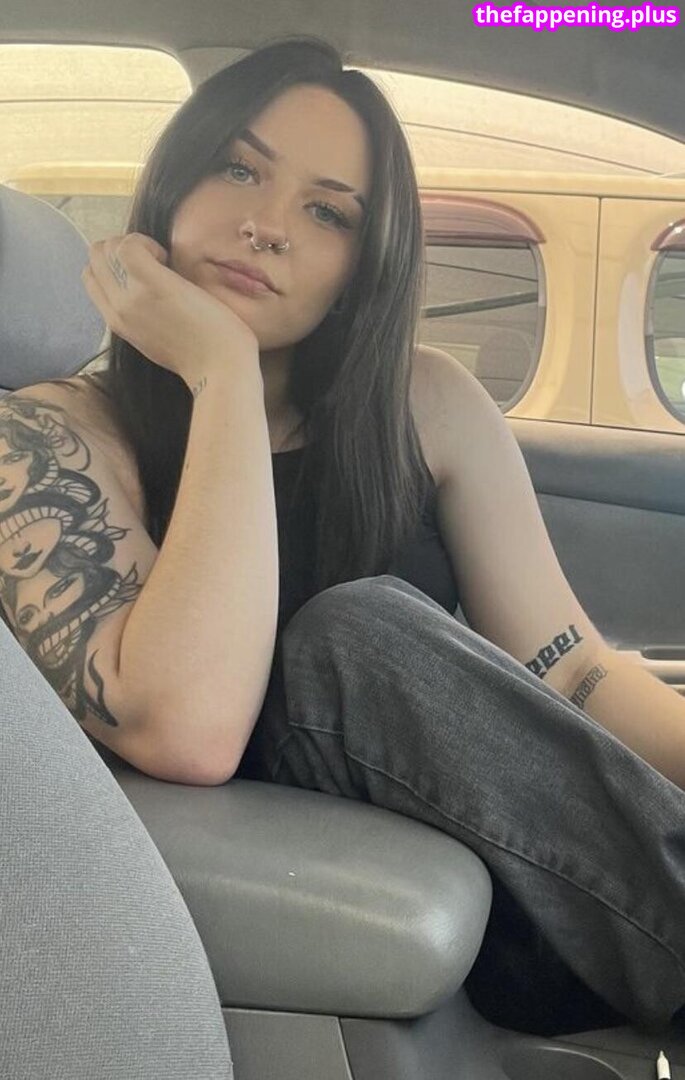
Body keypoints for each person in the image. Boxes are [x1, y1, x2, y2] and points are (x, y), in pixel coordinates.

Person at [1, 36, 684, 1039]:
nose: (266, 226)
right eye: (237, 169)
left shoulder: (426, 403)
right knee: (346, 637)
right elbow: (185, 728)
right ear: (170, 188)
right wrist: (221, 374)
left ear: (363, 268)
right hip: (311, 905)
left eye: (327, 213)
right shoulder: (50, 436)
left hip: (538, 890)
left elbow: (571, 669)